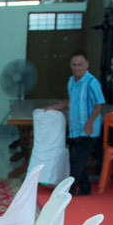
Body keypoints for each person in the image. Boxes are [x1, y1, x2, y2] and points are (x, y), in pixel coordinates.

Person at [43, 51, 104, 195]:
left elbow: (99, 104)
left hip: (88, 130)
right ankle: (85, 188)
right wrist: (54, 107)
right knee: (77, 160)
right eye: (74, 65)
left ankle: (68, 191)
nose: (77, 68)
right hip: (75, 128)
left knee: (76, 160)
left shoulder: (92, 82)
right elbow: (71, 102)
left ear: (87, 65)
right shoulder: (71, 82)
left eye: (80, 65)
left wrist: (90, 123)